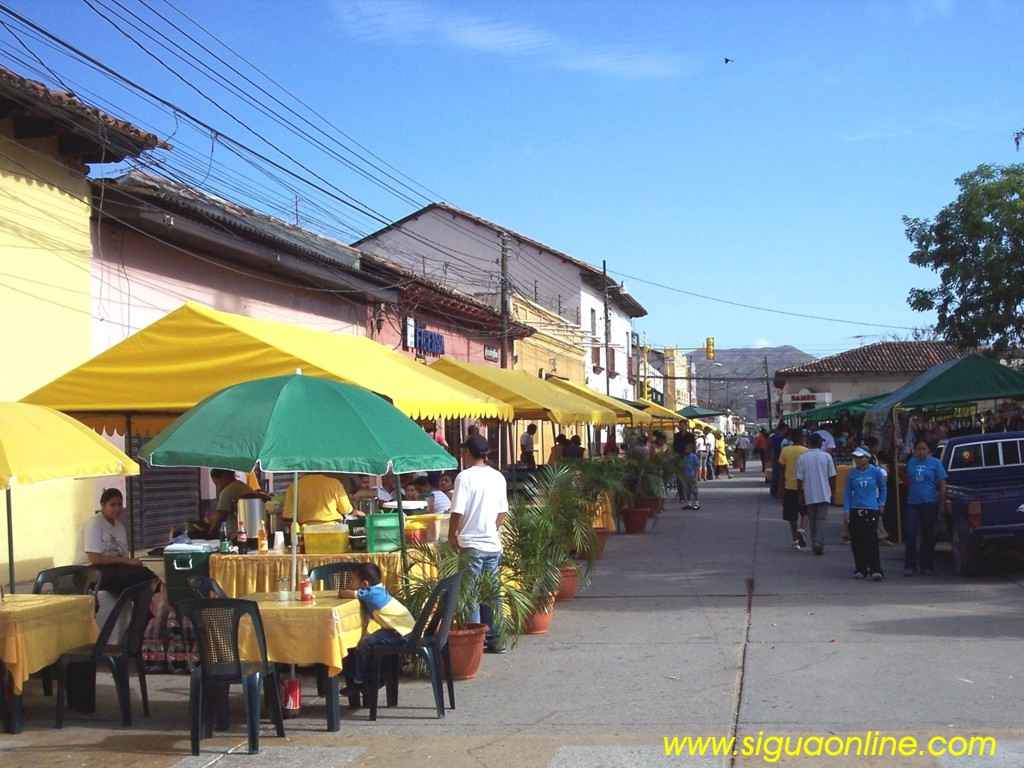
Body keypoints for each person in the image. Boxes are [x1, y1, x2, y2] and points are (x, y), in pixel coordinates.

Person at [450, 434, 508, 653]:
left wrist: (452, 535)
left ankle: (474, 644)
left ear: (467, 453)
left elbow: (457, 511)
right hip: (492, 544)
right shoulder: (497, 477)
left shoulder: (464, 477)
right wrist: (491, 529)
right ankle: (496, 640)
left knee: (470, 594)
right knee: (492, 594)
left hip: (472, 544)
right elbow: (503, 512)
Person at [340, 562, 415, 696]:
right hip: (400, 630)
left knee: (364, 644)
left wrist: (341, 591)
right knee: (368, 640)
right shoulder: (378, 590)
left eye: (352, 580)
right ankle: (376, 678)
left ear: (365, 584)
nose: (350, 583)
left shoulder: (371, 593)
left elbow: (346, 593)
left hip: (401, 633)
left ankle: (360, 681)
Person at [83, 488, 157, 595]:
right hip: (90, 571)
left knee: (147, 574)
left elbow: (123, 556)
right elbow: (95, 559)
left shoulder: (120, 527)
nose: (117, 508)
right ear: (103, 505)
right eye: (112, 505)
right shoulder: (94, 523)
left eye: (119, 505)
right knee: (131, 578)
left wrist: (132, 562)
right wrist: (126, 561)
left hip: (114, 568)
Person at [904, 439, 947, 576]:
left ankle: (926, 565)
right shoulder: (911, 462)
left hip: (929, 503)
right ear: (915, 450)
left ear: (929, 450)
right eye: (918, 449)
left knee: (928, 535)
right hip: (913, 503)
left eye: (924, 449)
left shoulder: (936, 463)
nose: (921, 452)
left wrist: (941, 504)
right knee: (910, 534)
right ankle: (910, 565)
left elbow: (942, 484)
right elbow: (908, 481)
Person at [844, 447, 888, 581]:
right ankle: (860, 569)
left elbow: (883, 488)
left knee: (871, 540)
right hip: (855, 508)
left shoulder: (876, 472)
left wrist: (881, 503)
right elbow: (847, 493)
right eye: (856, 457)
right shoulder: (851, 473)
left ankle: (876, 569)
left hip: (871, 509)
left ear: (867, 458)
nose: (857, 460)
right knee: (857, 540)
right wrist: (846, 510)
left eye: (860, 457)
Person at [796, 433, 837, 555]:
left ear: (809, 443)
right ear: (819, 443)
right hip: (824, 493)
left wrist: (800, 494)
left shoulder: (802, 458)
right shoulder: (827, 456)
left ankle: (815, 542)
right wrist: (832, 491)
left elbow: (799, 479)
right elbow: (832, 476)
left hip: (809, 493)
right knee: (821, 520)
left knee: (812, 520)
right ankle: (818, 542)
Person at [778, 429, 809, 549]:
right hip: (804, 487)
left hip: (789, 486)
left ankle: (795, 539)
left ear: (791, 438)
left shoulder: (785, 450)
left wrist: (780, 487)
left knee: (791, 516)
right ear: (802, 438)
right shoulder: (806, 451)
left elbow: (781, 470)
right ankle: (802, 529)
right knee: (805, 512)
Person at [282, 473, 353, 525]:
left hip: (307, 532)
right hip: (334, 530)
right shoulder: (334, 483)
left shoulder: (294, 486)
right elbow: (346, 510)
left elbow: (288, 516)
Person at [207, 469, 253, 535]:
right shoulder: (244, 487)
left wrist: (209, 534)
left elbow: (219, 518)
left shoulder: (227, 492)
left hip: (234, 534)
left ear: (224, 476)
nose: (217, 486)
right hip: (249, 532)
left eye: (217, 483)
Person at [680, 442, 701, 510]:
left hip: (692, 475)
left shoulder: (693, 456)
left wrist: (695, 474)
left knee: (694, 490)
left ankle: (697, 503)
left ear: (691, 449)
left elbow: (697, 465)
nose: (686, 450)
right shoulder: (684, 457)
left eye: (687, 449)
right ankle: (689, 503)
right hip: (686, 476)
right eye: (685, 449)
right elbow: (683, 466)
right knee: (687, 490)